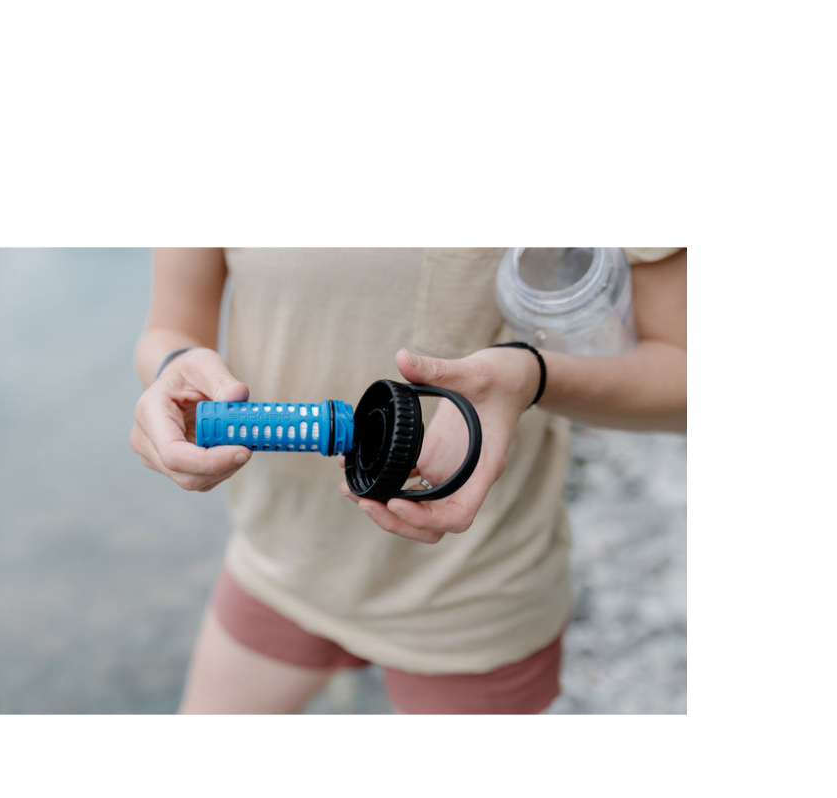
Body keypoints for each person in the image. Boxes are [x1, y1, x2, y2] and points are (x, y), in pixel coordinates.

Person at [131, 247, 687, 715]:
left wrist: (531, 374)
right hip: (279, 559)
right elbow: (170, 327)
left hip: (473, 593)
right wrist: (172, 369)